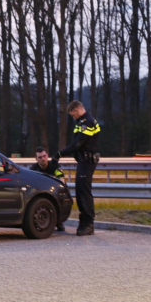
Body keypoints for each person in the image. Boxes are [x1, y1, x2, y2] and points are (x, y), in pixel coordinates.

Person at [52, 100, 100, 236]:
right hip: (83, 161)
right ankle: (84, 222)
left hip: (87, 162)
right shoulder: (83, 122)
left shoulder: (87, 123)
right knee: (80, 192)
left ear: (77, 111)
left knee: (84, 193)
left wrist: (59, 154)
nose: (73, 117)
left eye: (73, 115)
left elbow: (77, 144)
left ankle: (88, 224)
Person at [29, 146, 66, 232]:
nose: (43, 159)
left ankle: (59, 221)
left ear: (47, 155)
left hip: (55, 191)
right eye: (40, 157)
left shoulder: (55, 166)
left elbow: (62, 180)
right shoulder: (33, 169)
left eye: (44, 156)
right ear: (36, 159)